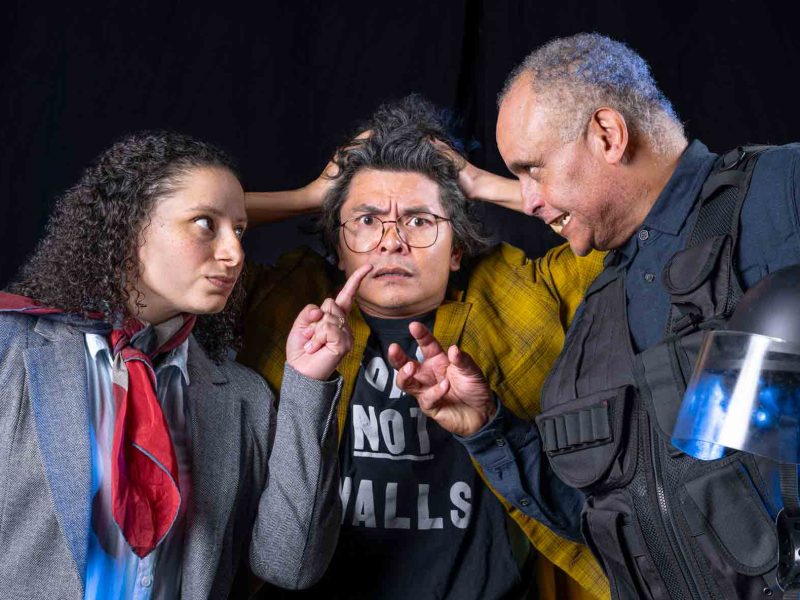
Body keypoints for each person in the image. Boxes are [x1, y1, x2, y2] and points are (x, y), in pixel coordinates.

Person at [394, 33, 800, 599]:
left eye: (533, 169)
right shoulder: (594, 316)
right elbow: (607, 523)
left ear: (608, 134)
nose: (527, 199)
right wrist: (486, 430)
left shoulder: (782, 190)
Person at [239, 96, 608, 599]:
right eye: (366, 221)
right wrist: (307, 196)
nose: (392, 241)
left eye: (419, 220)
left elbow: (636, 225)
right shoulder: (286, 300)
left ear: (457, 249)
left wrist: (482, 183)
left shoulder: (517, 292)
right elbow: (166, 235)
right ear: (337, 246)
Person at [0, 131, 369, 599]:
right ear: (129, 226)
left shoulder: (243, 397)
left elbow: (289, 565)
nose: (235, 253)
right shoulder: (12, 351)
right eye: (205, 224)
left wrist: (309, 385)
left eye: (240, 231)